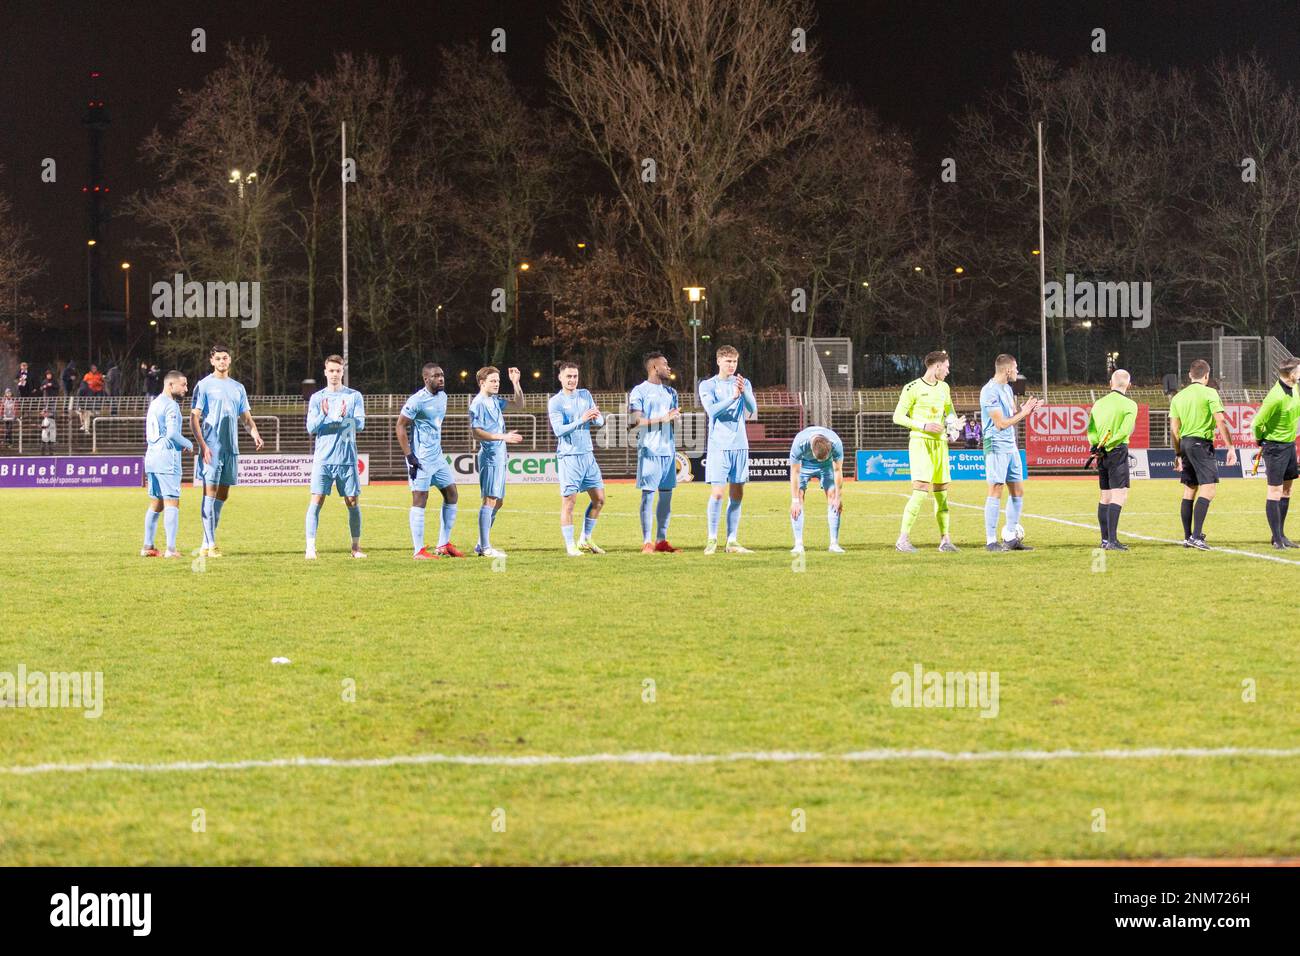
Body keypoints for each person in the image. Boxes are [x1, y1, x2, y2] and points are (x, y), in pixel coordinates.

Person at [190, 343, 264, 557]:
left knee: (223, 495)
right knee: (210, 494)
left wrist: (255, 434)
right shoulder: (203, 386)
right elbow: (194, 417)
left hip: (231, 447)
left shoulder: (238, 387)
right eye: (218, 358)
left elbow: (246, 418)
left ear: (230, 360)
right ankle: (212, 544)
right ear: (212, 361)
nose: (222, 361)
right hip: (211, 447)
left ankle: (205, 542)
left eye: (225, 358)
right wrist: (202, 445)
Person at [396, 362, 464, 560]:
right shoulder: (417, 400)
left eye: (442, 375)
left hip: (438, 458)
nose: (441, 378)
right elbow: (400, 426)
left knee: (451, 494)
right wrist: (410, 456)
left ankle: (443, 544)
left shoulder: (443, 396)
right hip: (421, 459)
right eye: (436, 376)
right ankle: (418, 550)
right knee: (420, 499)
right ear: (426, 379)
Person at [893, 350, 959, 553]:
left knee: (942, 493)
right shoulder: (912, 388)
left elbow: (950, 412)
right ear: (937, 366)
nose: (948, 371)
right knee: (920, 490)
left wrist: (953, 428)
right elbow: (898, 417)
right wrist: (924, 426)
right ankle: (902, 539)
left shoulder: (944, 388)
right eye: (946, 367)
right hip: (921, 443)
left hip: (941, 445)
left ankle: (945, 540)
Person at [1170, 359, 1237, 550]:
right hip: (1200, 443)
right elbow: (1220, 422)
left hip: (1185, 444)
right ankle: (1197, 537)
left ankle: (1187, 537)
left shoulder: (1178, 397)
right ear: (1206, 376)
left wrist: (1177, 453)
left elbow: (1174, 430)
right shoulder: (1210, 393)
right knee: (1209, 489)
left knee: (1190, 489)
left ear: (1190, 375)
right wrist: (1230, 447)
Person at [304, 355, 367, 560]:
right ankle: (310, 548)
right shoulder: (317, 398)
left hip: (347, 457)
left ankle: (356, 547)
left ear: (342, 372)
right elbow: (311, 428)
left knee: (352, 501)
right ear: (325, 372)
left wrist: (344, 417)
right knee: (317, 499)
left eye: (338, 371)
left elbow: (360, 424)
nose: (334, 374)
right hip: (323, 458)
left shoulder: (353, 396)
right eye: (331, 371)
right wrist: (324, 415)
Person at [698, 345, 757, 554]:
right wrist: (732, 397)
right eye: (727, 361)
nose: (731, 365)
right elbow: (712, 411)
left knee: (737, 494)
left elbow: (753, 409)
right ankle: (712, 539)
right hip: (719, 447)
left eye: (734, 361)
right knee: (717, 494)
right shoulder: (707, 385)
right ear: (718, 361)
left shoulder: (743, 382)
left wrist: (744, 392)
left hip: (740, 445)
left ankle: (731, 541)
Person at [980, 354, 1041, 552]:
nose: (1017, 372)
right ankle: (991, 541)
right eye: (1015, 368)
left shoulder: (1007, 389)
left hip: (1010, 445)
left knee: (1018, 490)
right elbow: (1000, 424)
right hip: (996, 444)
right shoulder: (990, 391)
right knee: (996, 488)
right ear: (1007, 370)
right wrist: (1023, 414)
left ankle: (1011, 537)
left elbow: (1011, 417)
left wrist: (1025, 410)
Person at [548, 361, 606, 556]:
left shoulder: (585, 394)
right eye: (568, 376)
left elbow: (598, 419)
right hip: (569, 456)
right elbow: (558, 431)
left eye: (575, 376)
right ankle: (570, 545)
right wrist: (581, 419)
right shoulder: (555, 402)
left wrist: (596, 418)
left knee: (599, 499)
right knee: (569, 502)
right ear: (560, 378)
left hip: (588, 455)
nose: (572, 380)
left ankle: (585, 539)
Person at [628, 351, 682, 554]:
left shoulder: (671, 393)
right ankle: (647, 542)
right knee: (648, 496)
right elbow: (635, 421)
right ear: (653, 367)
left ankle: (661, 540)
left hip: (668, 451)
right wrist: (664, 419)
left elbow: (673, 420)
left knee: (666, 498)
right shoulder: (639, 391)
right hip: (650, 450)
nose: (668, 367)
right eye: (665, 363)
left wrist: (676, 420)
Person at [469, 365, 525, 558]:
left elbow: (518, 405)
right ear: (482, 382)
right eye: (493, 381)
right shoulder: (478, 404)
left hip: (500, 457)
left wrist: (515, 383)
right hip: (490, 457)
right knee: (490, 500)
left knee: (498, 502)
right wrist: (502, 437)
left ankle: (481, 543)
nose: (497, 384)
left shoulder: (494, 401)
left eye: (498, 381)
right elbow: (476, 432)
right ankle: (485, 548)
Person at [142, 371, 194, 558]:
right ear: (170, 385)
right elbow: (172, 434)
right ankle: (171, 549)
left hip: (151, 458)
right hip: (166, 459)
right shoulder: (171, 406)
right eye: (183, 384)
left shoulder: (154, 403)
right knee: (172, 501)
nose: (186, 389)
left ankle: (147, 546)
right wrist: (188, 443)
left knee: (156, 502)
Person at [1086, 370, 1139, 550]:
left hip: (1101, 453)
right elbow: (1125, 431)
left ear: (1110, 383)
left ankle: (1104, 539)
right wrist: (1109, 445)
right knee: (1119, 494)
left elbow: (1091, 430)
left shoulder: (1098, 404)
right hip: (1116, 451)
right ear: (1129, 386)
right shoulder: (1130, 404)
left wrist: (1096, 445)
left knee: (1105, 495)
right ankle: (1112, 541)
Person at [1251, 358, 1300, 549]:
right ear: (1292, 374)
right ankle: (1277, 540)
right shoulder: (1275, 396)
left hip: (1289, 446)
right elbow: (1257, 423)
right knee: (1275, 491)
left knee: (1287, 490)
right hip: (1275, 448)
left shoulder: (1294, 389)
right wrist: (1260, 439)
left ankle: (1280, 535)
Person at [788, 425, 845, 554]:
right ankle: (798, 544)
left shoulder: (836, 443)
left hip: (826, 466)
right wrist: (795, 500)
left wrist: (838, 497)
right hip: (805, 465)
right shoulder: (799, 443)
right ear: (812, 450)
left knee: (833, 497)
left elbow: (837, 470)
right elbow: (795, 472)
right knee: (799, 497)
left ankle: (834, 543)